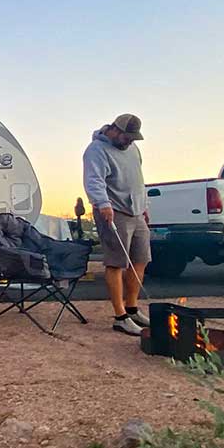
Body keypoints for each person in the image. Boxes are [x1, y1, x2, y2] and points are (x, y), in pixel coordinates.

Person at [81, 113, 150, 336]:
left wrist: (144, 205)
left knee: (140, 259)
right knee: (116, 263)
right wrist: (102, 204)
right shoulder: (96, 150)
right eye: (127, 137)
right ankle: (120, 317)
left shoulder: (133, 149)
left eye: (133, 138)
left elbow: (138, 178)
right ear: (114, 130)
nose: (130, 141)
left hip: (136, 212)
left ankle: (132, 308)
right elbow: (94, 180)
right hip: (112, 211)